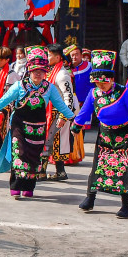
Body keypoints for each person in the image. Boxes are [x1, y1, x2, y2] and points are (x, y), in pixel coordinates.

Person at [73, 51, 128, 218]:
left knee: (124, 171)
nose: (101, 86)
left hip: (124, 137)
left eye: (104, 83)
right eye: (97, 83)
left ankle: (126, 205)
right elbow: (85, 113)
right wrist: (76, 126)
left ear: (112, 79)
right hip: (104, 137)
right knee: (97, 169)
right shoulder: (93, 94)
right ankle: (90, 199)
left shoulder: (125, 93)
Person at [0, 47, 74, 199]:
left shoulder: (49, 89)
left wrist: (75, 120)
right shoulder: (19, 86)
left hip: (38, 129)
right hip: (19, 127)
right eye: (35, 70)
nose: (38, 73)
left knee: (34, 158)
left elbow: (62, 106)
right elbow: (3, 100)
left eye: (42, 71)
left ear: (46, 72)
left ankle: (29, 188)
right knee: (19, 155)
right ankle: (16, 186)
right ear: (29, 70)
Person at [43, 44, 79, 180]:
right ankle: (58, 171)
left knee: (53, 142)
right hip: (48, 111)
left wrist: (64, 116)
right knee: (48, 141)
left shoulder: (62, 74)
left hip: (58, 113)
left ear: (57, 57)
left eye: (49, 55)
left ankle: (49, 171)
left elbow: (68, 96)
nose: (47, 57)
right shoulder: (51, 71)